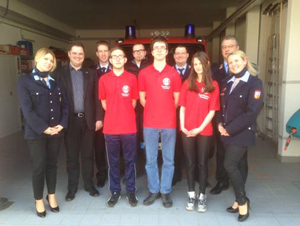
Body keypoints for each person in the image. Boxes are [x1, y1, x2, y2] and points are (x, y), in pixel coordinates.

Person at [17, 48, 69, 217]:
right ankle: (38, 199)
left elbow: (65, 106)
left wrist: (61, 125)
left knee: (52, 165)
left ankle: (51, 196)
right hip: (36, 133)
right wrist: (44, 128)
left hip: (55, 132)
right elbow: (27, 110)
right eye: (46, 59)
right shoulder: (25, 82)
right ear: (37, 60)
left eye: (51, 61)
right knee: (39, 167)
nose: (49, 63)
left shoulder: (55, 82)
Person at [218, 50, 263, 222]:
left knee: (229, 164)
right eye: (230, 62)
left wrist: (229, 129)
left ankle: (243, 202)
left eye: (237, 60)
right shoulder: (226, 82)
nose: (234, 64)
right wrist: (220, 125)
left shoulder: (254, 83)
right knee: (241, 165)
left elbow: (251, 112)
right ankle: (238, 199)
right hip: (226, 132)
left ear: (245, 61)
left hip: (242, 132)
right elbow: (220, 108)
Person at [55, 42, 103, 201]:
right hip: (69, 122)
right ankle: (72, 187)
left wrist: (98, 118)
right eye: (74, 53)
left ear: (84, 56)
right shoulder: (59, 73)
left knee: (88, 155)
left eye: (80, 54)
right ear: (69, 54)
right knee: (71, 157)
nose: (77, 56)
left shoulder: (92, 73)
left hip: (88, 121)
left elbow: (97, 98)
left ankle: (89, 185)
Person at [139, 36, 182, 208]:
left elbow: (177, 100)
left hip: (169, 124)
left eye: (162, 47)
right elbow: (142, 98)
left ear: (166, 51)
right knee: (150, 159)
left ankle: (165, 192)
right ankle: (153, 190)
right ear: (151, 51)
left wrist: (165, 111)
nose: (158, 50)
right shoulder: (144, 73)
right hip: (149, 123)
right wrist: (153, 109)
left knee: (168, 159)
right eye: (155, 47)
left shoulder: (173, 73)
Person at [179, 52, 220, 212]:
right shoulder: (187, 83)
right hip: (187, 129)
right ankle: (191, 195)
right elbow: (182, 107)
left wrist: (199, 128)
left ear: (207, 64)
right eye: (195, 64)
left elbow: (212, 111)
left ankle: (202, 196)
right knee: (190, 163)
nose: (197, 66)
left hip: (204, 130)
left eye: (200, 63)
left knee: (203, 164)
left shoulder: (214, 85)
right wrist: (182, 126)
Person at [99, 46, 139, 207]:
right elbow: (103, 102)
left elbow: (134, 101)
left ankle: (131, 191)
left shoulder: (131, 78)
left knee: (130, 161)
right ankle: (115, 191)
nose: (116, 58)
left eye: (120, 56)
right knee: (113, 162)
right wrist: (115, 112)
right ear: (110, 60)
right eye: (114, 56)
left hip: (129, 127)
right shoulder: (103, 79)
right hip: (110, 128)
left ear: (124, 60)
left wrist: (123, 112)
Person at [210, 35, 240, 195]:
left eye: (230, 46)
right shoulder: (215, 70)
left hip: (238, 121)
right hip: (220, 119)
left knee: (239, 155)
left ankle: (239, 187)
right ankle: (221, 181)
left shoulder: (246, 69)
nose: (227, 49)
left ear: (237, 48)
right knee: (221, 152)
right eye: (224, 47)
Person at [91, 40, 111, 188]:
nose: (103, 54)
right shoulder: (91, 71)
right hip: (98, 114)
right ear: (97, 53)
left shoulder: (118, 68)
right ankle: (102, 173)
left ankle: (116, 171)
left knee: (116, 145)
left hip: (115, 113)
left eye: (106, 51)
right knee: (98, 146)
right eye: (101, 51)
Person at [172, 45, 191, 186]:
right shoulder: (168, 71)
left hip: (191, 114)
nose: (179, 55)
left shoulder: (195, 70)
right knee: (175, 146)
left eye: (182, 53)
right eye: (177, 53)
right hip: (172, 113)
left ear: (187, 55)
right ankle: (176, 175)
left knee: (194, 146)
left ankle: (196, 176)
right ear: (173, 56)